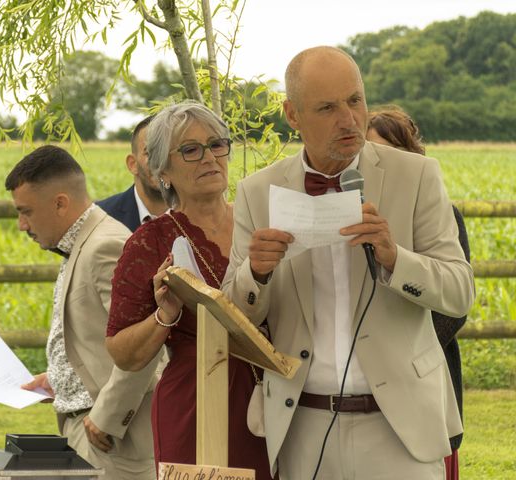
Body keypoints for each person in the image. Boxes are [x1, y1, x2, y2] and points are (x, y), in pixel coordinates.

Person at [222, 46, 475, 480]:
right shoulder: (257, 192)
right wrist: (255, 274)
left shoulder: (416, 176)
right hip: (302, 424)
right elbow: (234, 318)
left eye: (355, 100)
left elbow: (458, 291)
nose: (349, 119)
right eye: (327, 107)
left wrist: (397, 261)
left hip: (400, 427)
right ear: (292, 115)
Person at [105, 101, 272, 479]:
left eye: (216, 145)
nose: (209, 158)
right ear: (162, 171)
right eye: (191, 150)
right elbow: (122, 353)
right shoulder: (150, 242)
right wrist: (166, 313)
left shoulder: (262, 222)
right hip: (196, 406)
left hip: (279, 401)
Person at [5, 145, 160, 480]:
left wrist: (107, 415)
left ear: (60, 203)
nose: (21, 225)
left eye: (26, 211)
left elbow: (146, 346)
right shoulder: (82, 242)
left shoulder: (106, 246)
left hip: (111, 441)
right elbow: (93, 335)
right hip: (86, 431)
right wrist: (58, 379)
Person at [367, 105, 470, 480]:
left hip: (424, 379)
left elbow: (454, 308)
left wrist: (403, 349)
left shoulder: (441, 213)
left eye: (391, 151)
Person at [97, 115, 167, 231]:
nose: (162, 161)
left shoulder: (201, 214)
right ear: (132, 164)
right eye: (151, 152)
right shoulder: (102, 218)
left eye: (167, 151)